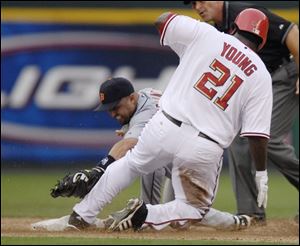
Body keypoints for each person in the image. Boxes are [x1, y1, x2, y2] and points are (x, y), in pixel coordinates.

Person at [67, 8, 272, 232]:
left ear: (233, 27)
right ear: (261, 43)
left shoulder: (208, 35)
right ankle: (144, 214)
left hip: (165, 124)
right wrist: (261, 172)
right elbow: (256, 135)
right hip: (205, 144)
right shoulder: (261, 74)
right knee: (194, 209)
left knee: (131, 164)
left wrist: (190, 41)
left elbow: (162, 20)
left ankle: (81, 215)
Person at [185, 1, 299, 224]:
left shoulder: (244, 13)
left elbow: (292, 31)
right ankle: (251, 213)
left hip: (283, 76)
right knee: (239, 140)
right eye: (193, 3)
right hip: (258, 86)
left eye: (201, 0)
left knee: (270, 139)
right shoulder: (215, 28)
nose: (197, 6)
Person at [50, 77, 173, 205]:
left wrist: (100, 169)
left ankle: (148, 212)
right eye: (109, 109)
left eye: (115, 107)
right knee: (177, 221)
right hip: (182, 167)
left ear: (131, 98)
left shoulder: (146, 113)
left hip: (192, 171)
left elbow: (128, 144)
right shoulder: (145, 94)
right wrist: (130, 127)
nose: (113, 114)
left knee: (149, 154)